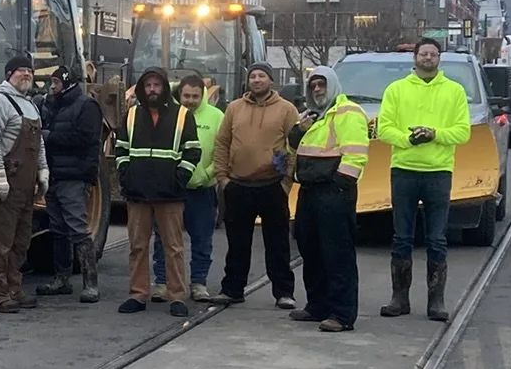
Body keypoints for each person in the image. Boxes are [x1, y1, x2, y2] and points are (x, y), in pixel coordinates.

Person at [377, 36, 471, 322]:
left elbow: (463, 132)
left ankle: (436, 300)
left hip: (438, 172)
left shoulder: (454, 91)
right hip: (404, 170)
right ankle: (399, 297)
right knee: (401, 237)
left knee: (437, 238)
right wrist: (408, 139)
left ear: (439, 59)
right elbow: (384, 128)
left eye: (432, 54)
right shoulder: (396, 89)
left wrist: (434, 134)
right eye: (423, 54)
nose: (427, 58)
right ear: (414, 58)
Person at [210, 62, 301, 309]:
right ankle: (232, 290)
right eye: (253, 76)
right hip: (238, 185)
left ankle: (284, 292)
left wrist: (286, 182)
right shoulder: (234, 108)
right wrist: (223, 179)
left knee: (278, 244)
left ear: (271, 80)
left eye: (262, 76)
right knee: (237, 244)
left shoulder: (286, 110)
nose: (257, 80)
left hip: (272, 185)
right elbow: (222, 143)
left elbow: (294, 147)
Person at [289, 65, 369, 331]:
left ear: (332, 84)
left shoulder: (349, 112)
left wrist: (340, 184)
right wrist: (300, 129)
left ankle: (342, 314)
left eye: (321, 84)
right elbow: (293, 144)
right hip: (309, 190)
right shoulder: (310, 115)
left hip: (334, 192)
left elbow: (356, 153)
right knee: (310, 249)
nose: (317, 90)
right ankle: (317, 306)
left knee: (337, 254)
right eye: (313, 86)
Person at [116, 66, 198, 317]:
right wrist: (127, 176)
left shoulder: (183, 115)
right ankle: (138, 294)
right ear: (142, 88)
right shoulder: (131, 115)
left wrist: (179, 179)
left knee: (173, 247)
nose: (152, 90)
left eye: (157, 85)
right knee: (137, 246)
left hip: (169, 193)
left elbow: (193, 150)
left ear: (164, 87)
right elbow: (120, 149)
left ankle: (177, 297)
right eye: (148, 85)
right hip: (138, 193)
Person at [0, 52, 48, 312]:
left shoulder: (29, 105)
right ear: (9, 75)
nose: (27, 74)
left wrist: (43, 171)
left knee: (20, 241)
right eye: (21, 70)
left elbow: (38, 142)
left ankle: (13, 288)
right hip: (4, 186)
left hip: (24, 187)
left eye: (29, 71)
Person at [152, 72, 221, 303]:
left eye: (195, 96)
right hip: (171, 190)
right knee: (164, 239)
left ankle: (198, 283)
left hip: (202, 189)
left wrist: (208, 174)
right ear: (178, 94)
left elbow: (222, 151)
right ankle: (162, 282)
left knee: (202, 239)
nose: (190, 100)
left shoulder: (216, 117)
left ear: (203, 95)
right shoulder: (167, 114)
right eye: (186, 95)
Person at [38, 66, 104, 303]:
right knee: (57, 228)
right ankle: (61, 279)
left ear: (67, 83)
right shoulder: (51, 104)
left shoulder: (87, 106)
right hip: (54, 175)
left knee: (78, 227)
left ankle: (90, 284)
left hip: (73, 177)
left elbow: (86, 138)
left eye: (56, 82)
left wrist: (50, 136)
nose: (52, 86)